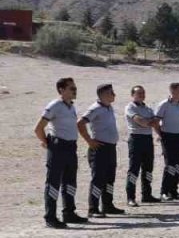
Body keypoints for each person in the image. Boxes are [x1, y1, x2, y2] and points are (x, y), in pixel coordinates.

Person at [35, 77, 87, 227]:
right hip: (58, 147)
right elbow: (38, 128)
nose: (75, 90)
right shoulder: (55, 105)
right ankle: (50, 217)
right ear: (61, 90)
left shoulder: (71, 106)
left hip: (71, 147)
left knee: (70, 181)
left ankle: (69, 213)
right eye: (71, 88)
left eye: (75, 88)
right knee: (53, 182)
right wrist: (48, 143)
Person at [76, 83, 124, 218]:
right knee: (98, 178)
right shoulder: (95, 108)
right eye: (111, 92)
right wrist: (89, 141)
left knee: (110, 178)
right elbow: (80, 123)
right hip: (100, 148)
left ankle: (108, 204)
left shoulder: (108, 107)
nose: (114, 95)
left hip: (111, 147)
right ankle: (93, 208)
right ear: (102, 94)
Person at [124, 85, 160, 206]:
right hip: (136, 139)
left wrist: (152, 125)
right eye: (139, 93)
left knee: (148, 169)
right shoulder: (130, 107)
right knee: (134, 169)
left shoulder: (148, 108)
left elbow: (155, 123)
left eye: (143, 93)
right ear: (133, 95)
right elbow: (142, 122)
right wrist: (149, 122)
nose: (142, 95)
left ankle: (147, 194)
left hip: (147, 139)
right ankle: (130, 197)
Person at [154, 82, 179, 201]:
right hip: (168, 137)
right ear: (172, 92)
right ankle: (164, 191)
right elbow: (155, 122)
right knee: (170, 165)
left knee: (178, 165)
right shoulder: (164, 104)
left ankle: (174, 190)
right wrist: (161, 135)